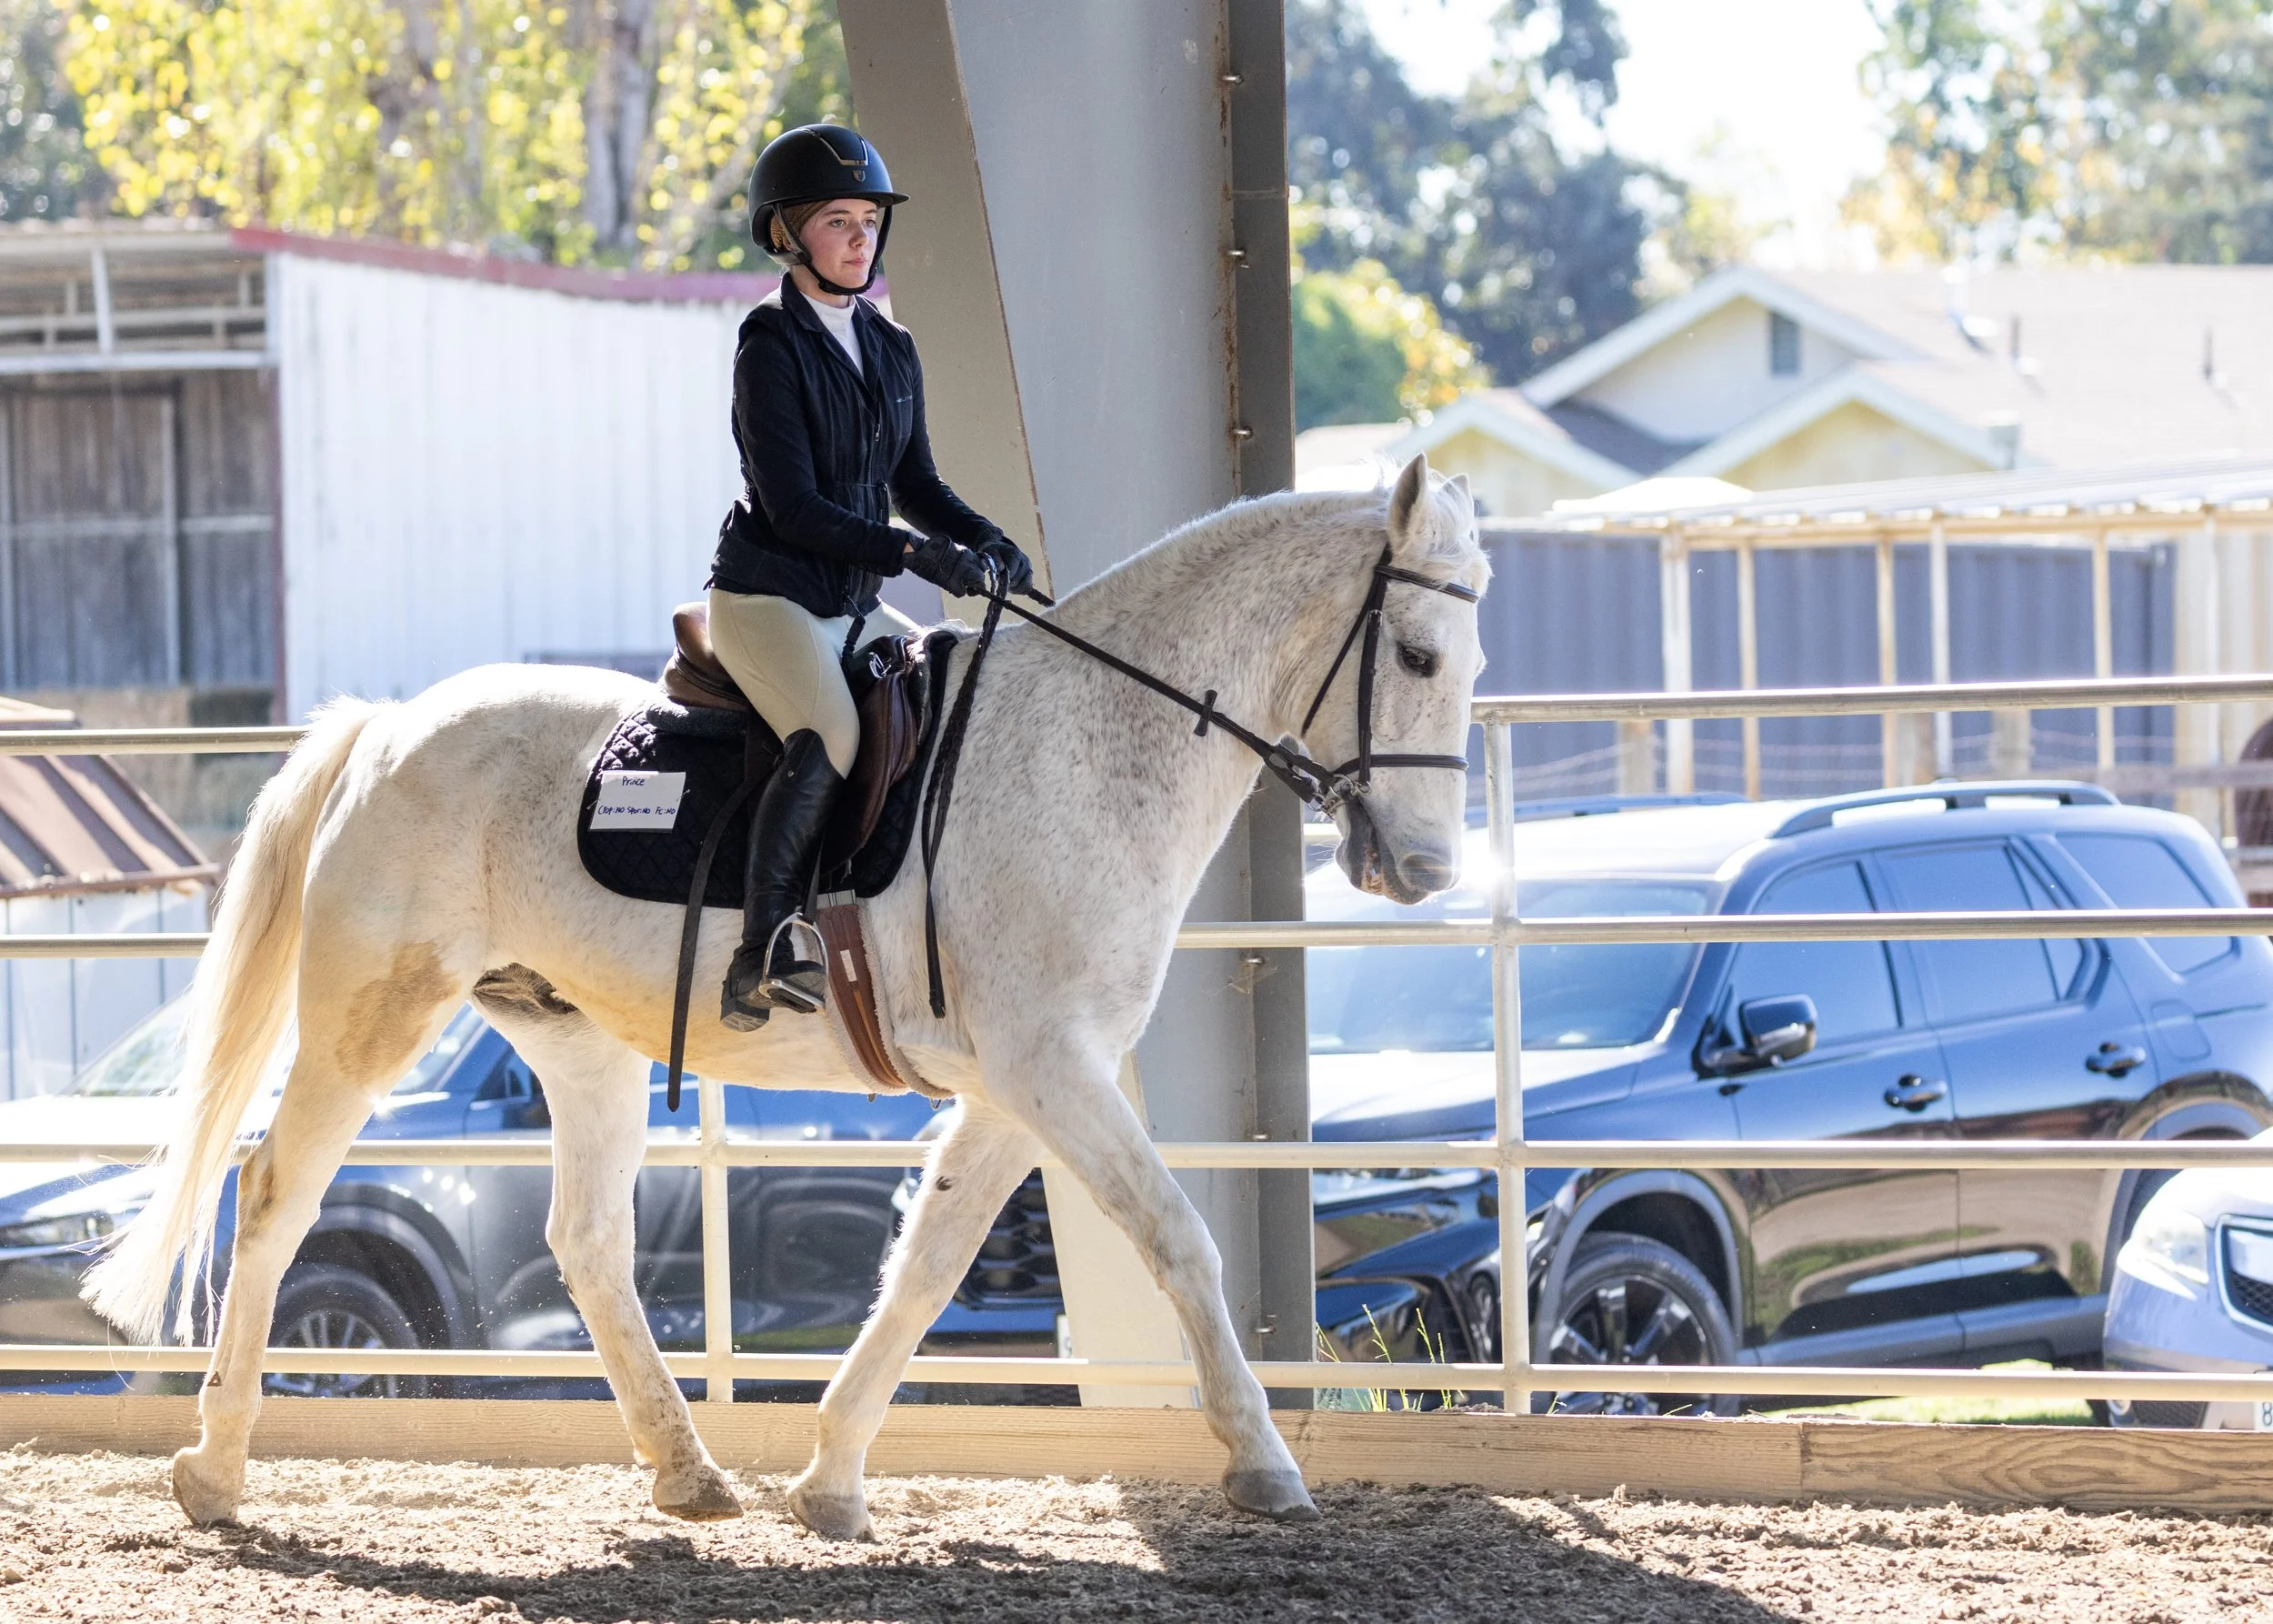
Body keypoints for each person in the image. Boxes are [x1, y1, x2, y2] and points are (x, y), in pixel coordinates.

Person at [707, 123, 1034, 1031]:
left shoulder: (891, 349)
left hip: (850, 607)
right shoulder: (766, 347)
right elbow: (796, 509)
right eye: (837, 221)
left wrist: (984, 540)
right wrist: (912, 555)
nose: (860, 237)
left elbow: (916, 485)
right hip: (770, 598)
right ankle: (762, 950)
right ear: (786, 235)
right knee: (835, 736)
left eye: (867, 220)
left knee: (957, 699)